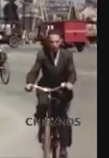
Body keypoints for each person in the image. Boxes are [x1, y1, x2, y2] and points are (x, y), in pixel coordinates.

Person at [25, 30, 77, 158]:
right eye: (51, 42)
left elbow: (72, 72)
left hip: (62, 87)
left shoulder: (67, 55)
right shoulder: (42, 54)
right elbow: (34, 70)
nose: (54, 44)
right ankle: (43, 130)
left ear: (61, 42)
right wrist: (29, 83)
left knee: (62, 117)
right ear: (47, 42)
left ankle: (63, 147)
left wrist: (70, 83)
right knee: (42, 108)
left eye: (56, 42)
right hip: (45, 86)